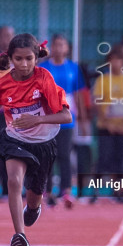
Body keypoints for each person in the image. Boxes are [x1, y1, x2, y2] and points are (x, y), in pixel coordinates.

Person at [0, 34, 72, 246]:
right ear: (10, 58)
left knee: (34, 194)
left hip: (44, 143)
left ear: (36, 57)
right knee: (13, 181)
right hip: (15, 138)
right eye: (18, 59)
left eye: (29, 59)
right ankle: (20, 237)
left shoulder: (44, 78)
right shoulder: (4, 81)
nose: (24, 64)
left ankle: (34, 207)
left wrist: (35, 121)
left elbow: (66, 116)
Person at [40, 35, 89, 207]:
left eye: (62, 45)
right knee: (47, 155)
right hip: (47, 118)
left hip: (67, 118)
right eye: (56, 45)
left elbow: (79, 94)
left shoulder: (73, 68)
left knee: (64, 154)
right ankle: (47, 190)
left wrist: (83, 118)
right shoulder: (43, 68)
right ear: (51, 47)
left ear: (67, 48)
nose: (59, 48)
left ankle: (66, 190)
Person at [92, 47, 123, 198]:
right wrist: (108, 123)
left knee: (122, 159)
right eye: (112, 60)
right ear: (108, 62)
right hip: (106, 126)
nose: (116, 63)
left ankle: (119, 190)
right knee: (104, 157)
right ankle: (95, 189)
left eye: (119, 60)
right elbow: (98, 102)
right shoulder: (103, 79)